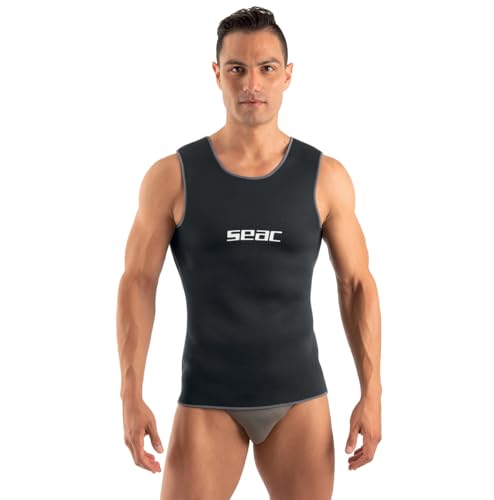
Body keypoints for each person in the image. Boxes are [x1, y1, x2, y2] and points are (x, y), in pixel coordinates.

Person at [116, 6, 382, 499]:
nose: (252, 83)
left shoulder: (326, 177)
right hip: (208, 402)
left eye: (267, 68)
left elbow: (356, 284)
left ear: (288, 75)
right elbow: (137, 282)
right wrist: (130, 394)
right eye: (237, 68)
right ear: (217, 74)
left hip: (300, 400)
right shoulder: (172, 177)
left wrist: (373, 392)